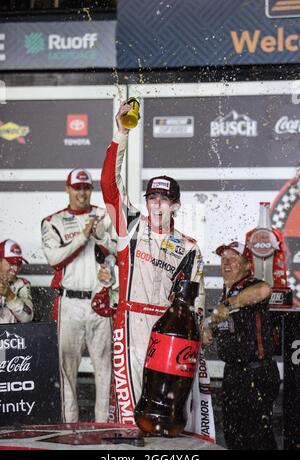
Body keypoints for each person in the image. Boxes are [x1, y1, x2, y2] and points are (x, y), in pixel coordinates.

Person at [100, 102, 214, 436]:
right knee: (129, 410)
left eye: (164, 200)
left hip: (167, 332)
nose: (157, 205)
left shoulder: (189, 246)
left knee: (165, 416)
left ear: (175, 204)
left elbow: (196, 297)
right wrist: (120, 134)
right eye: (152, 198)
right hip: (131, 324)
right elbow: (109, 185)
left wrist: (200, 326)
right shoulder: (130, 226)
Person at [41, 168, 117, 423]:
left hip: (99, 302)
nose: (82, 192)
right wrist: (83, 237)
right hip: (69, 303)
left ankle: (103, 427)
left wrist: (103, 245)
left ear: (91, 189)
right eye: (77, 187)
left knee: (105, 370)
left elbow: (116, 252)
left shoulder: (103, 215)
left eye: (86, 187)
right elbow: (54, 259)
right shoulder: (54, 221)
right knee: (66, 372)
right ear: (68, 188)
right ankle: (68, 425)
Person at [204, 241, 280, 450]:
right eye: (223, 259)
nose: (226, 263)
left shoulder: (250, 285)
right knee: (233, 434)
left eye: (233, 259)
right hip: (235, 375)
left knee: (256, 438)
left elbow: (265, 290)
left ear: (247, 266)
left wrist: (227, 306)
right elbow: (228, 323)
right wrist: (209, 329)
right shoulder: (226, 292)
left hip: (256, 374)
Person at [0, 239, 33, 324]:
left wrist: (9, 295)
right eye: (11, 263)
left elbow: (28, 317)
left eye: (18, 263)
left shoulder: (21, 284)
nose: (15, 269)